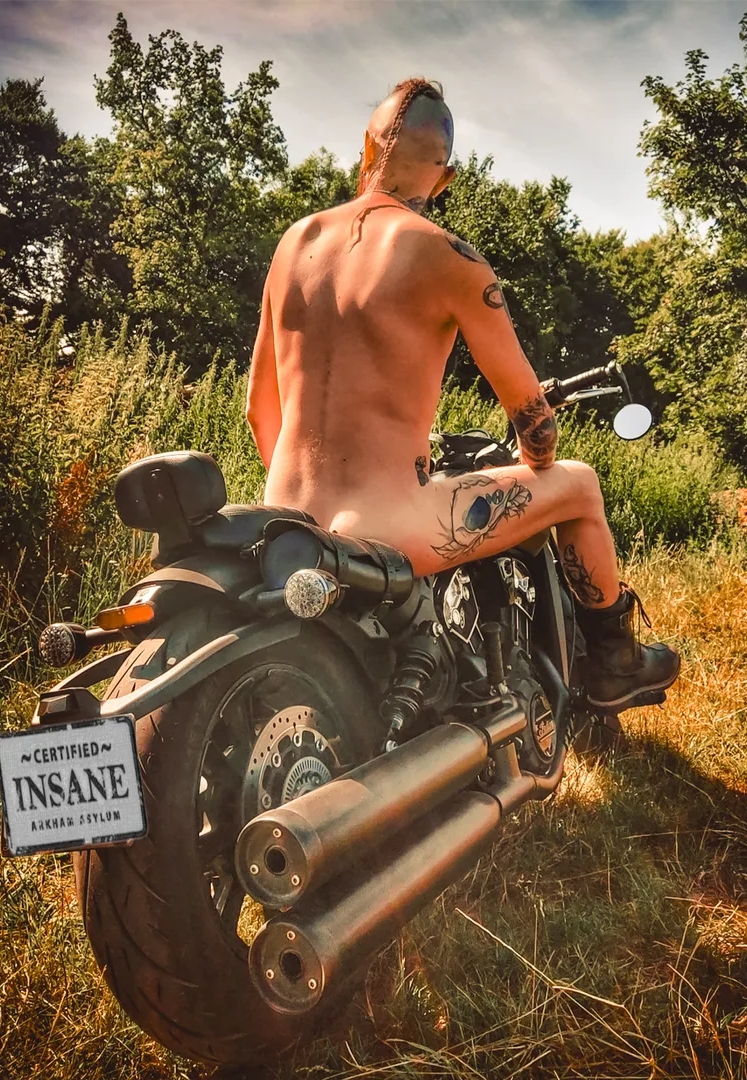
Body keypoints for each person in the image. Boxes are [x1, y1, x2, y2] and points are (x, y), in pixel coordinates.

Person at [246, 77, 679, 711]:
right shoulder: (451, 259)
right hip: (390, 526)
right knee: (581, 486)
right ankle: (616, 663)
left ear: (367, 148)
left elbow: (260, 410)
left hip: (287, 520)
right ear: (445, 178)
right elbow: (533, 422)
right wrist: (533, 465)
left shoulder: (295, 242)